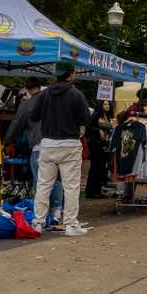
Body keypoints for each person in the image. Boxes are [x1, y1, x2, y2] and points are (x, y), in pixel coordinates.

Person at [30, 63, 92, 237]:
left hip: (48, 143)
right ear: (70, 75)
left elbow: (33, 116)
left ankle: (38, 223)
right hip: (70, 144)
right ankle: (71, 224)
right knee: (71, 186)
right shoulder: (76, 95)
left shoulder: (44, 94)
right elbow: (86, 120)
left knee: (43, 185)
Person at [4, 77, 65, 222]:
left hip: (39, 146)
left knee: (41, 181)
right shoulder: (54, 101)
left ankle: (42, 214)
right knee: (56, 179)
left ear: (27, 89)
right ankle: (57, 211)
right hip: (58, 143)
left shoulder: (28, 104)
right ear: (39, 86)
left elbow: (16, 125)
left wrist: (6, 142)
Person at [84, 100, 114, 198]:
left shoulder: (109, 117)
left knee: (102, 168)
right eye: (105, 104)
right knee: (95, 167)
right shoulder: (96, 115)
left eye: (108, 104)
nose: (107, 106)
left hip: (104, 145)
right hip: (95, 144)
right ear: (101, 105)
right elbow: (88, 128)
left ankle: (97, 190)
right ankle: (90, 191)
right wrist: (98, 131)